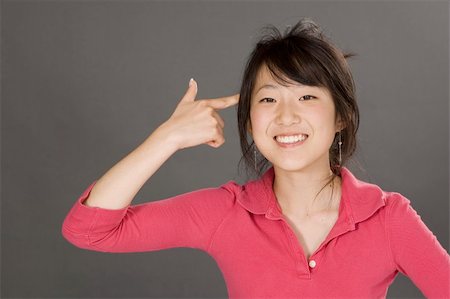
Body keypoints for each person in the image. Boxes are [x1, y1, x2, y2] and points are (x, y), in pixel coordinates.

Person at [61, 18, 449, 298]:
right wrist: (168, 137)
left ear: (342, 117)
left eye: (307, 96)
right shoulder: (226, 213)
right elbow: (90, 230)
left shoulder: (387, 218)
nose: (285, 116)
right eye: (267, 99)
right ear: (248, 121)